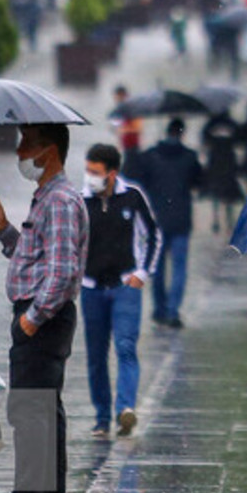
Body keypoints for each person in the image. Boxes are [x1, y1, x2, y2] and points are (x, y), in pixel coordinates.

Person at [0, 123, 88, 493]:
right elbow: (34, 257)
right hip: (43, 317)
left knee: (30, 408)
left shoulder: (59, 201)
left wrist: (32, 318)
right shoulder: (48, 198)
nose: (21, 152)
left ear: (50, 150)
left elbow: (60, 271)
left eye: (28, 144)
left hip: (43, 319)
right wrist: (4, 229)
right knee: (42, 407)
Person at [80, 144, 162, 438]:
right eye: (88, 170)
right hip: (90, 289)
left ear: (112, 173)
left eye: (96, 172)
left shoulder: (132, 196)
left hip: (125, 286)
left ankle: (124, 409)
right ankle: (101, 417)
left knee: (126, 346)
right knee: (96, 355)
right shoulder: (81, 201)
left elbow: (153, 235)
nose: (90, 176)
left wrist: (142, 273)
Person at [130, 118, 203, 328]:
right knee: (179, 267)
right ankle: (172, 311)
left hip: (157, 221)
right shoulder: (190, 157)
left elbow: (137, 179)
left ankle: (159, 309)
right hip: (181, 220)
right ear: (182, 134)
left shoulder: (151, 156)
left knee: (157, 267)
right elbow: (199, 181)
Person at [201, 109, 244, 233]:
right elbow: (240, 139)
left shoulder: (210, 124)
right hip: (229, 162)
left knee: (215, 192)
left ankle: (216, 220)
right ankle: (229, 222)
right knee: (229, 192)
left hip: (214, 162)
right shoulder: (232, 124)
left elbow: (205, 140)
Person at [111, 85, 143, 177]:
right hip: (126, 146)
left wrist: (122, 129)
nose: (116, 99)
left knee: (128, 171)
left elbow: (137, 127)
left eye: (118, 96)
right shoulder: (122, 110)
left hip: (132, 146)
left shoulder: (132, 109)